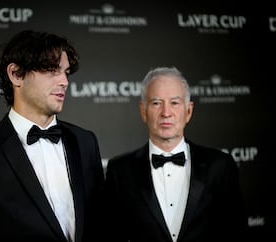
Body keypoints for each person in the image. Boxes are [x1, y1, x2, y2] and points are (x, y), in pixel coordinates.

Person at [0, 30, 105, 242]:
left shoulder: (84, 142)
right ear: (16, 74)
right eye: (52, 70)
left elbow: (101, 225)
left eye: (66, 72)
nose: (65, 81)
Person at [104, 66, 248, 242]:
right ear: (143, 111)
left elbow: (236, 234)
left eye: (174, 103)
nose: (166, 113)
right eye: (156, 103)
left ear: (188, 111)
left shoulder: (220, 166)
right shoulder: (120, 171)